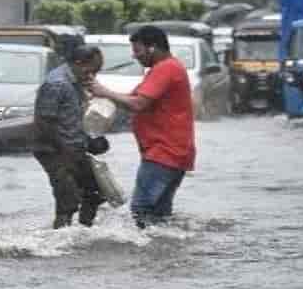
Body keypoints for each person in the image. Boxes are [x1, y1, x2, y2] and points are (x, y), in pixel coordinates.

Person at [90, 25, 195, 228]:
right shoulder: (167, 68)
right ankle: (162, 247)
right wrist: (101, 95)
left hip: (163, 152)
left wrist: (104, 92)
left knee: (141, 210)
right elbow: (130, 99)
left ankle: (146, 248)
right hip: (174, 153)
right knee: (158, 216)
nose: (135, 56)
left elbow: (138, 103)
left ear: (152, 48)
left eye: (137, 50)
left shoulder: (165, 69)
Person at [33, 45, 109, 228]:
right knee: (68, 200)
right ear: (78, 63)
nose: (92, 76)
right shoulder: (57, 84)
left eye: (96, 72)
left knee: (96, 191)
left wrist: (90, 141)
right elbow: (44, 123)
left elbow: (72, 118)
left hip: (73, 147)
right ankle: (60, 238)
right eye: (90, 71)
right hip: (54, 150)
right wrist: (64, 152)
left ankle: (84, 231)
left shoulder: (75, 81)